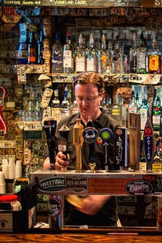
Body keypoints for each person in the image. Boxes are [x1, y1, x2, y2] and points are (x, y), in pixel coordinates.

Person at [43, 72, 120, 226]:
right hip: (69, 215)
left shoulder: (114, 129)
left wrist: (101, 196)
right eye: (80, 98)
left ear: (101, 96)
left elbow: (123, 172)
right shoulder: (64, 126)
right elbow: (46, 164)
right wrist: (55, 164)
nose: (83, 104)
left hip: (104, 217)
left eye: (89, 98)